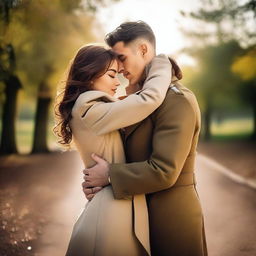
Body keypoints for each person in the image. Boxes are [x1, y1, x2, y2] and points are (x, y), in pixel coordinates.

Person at [82, 21, 208, 256]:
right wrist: (96, 182)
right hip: (135, 212)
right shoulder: (136, 102)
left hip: (171, 219)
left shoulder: (177, 100)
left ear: (142, 50)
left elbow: (164, 170)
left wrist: (109, 175)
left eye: (122, 58)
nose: (118, 69)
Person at [54, 44, 174, 256]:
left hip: (113, 203)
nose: (117, 82)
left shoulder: (94, 108)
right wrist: (162, 63)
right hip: (111, 211)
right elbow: (148, 100)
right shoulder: (88, 108)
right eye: (111, 75)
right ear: (90, 75)